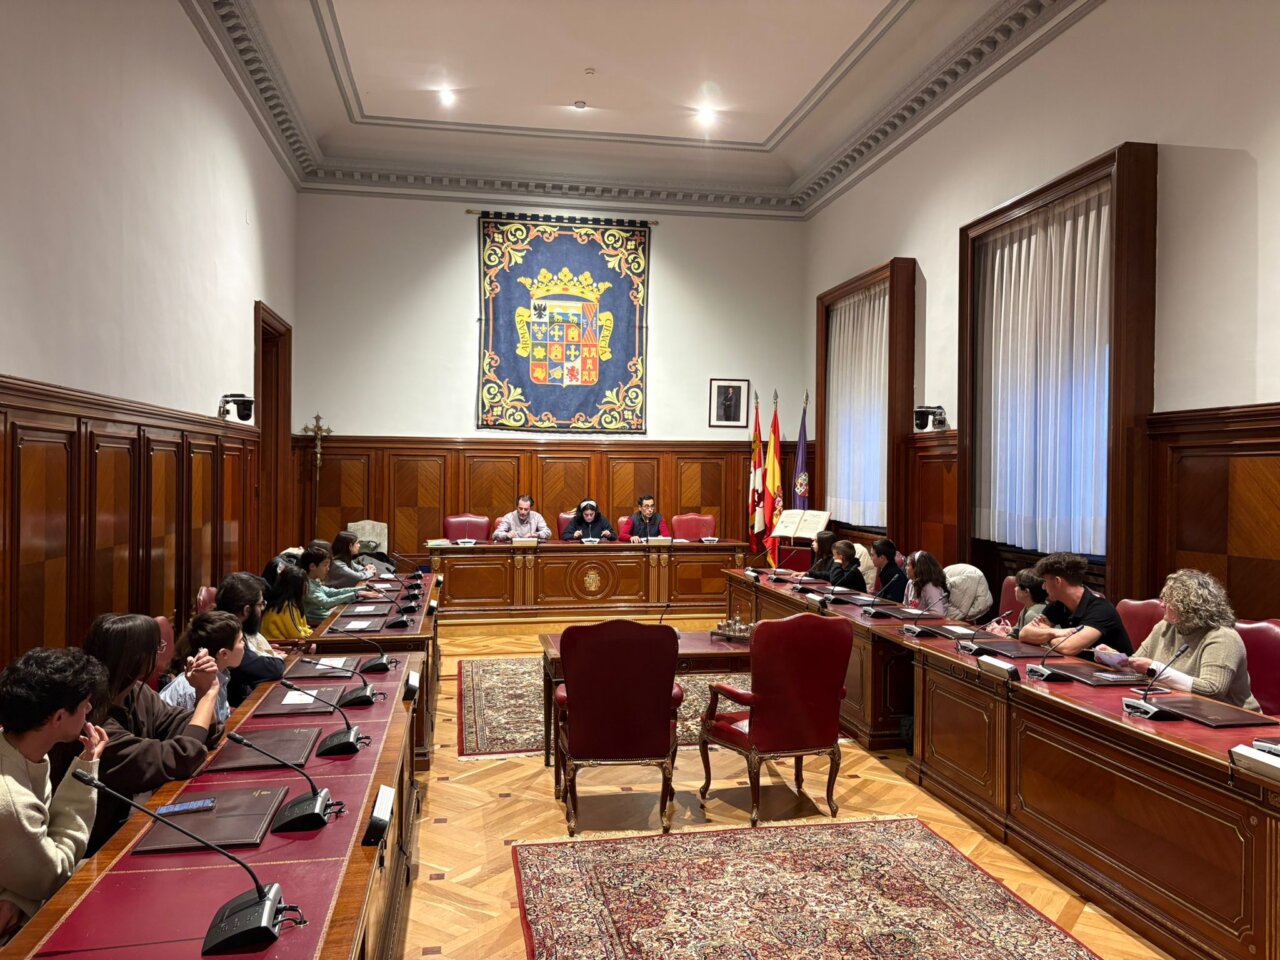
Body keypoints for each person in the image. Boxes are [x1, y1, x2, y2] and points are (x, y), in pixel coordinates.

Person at [80, 613, 223, 854]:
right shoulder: (94, 725)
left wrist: (201, 693)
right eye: (157, 648)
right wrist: (209, 694)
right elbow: (183, 756)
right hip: (97, 850)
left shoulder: (136, 692)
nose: (161, 652)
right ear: (136, 658)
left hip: (133, 829)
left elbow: (199, 730)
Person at [0, 648, 108, 941]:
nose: (88, 711)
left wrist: (17, 899)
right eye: (85, 705)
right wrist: (86, 772)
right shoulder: (10, 800)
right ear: (59, 716)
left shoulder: (17, 748)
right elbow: (53, 876)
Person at [1095, 570, 1259, 710]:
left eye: (1169, 600)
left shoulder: (1222, 637)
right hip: (1180, 708)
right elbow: (1139, 668)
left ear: (1189, 606)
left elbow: (1212, 690)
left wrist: (1155, 669)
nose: (1162, 604)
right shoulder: (1166, 627)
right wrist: (1116, 659)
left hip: (1232, 719)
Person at [1019, 552, 1131, 655]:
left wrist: (1044, 636)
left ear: (1058, 581)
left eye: (1045, 581)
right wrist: (1055, 632)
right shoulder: (1058, 605)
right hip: (1080, 669)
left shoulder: (1101, 609)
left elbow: (1068, 647)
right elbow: (1024, 634)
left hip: (1113, 673)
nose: (1043, 587)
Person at [159, 611, 244, 723]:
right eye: (241, 641)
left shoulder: (221, 674)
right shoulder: (192, 689)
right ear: (224, 654)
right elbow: (196, 734)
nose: (244, 645)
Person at [215, 572, 285, 705]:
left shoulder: (224, 625)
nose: (263, 608)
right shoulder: (225, 635)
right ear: (246, 610)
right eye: (261, 604)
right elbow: (273, 669)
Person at [301, 544, 381, 624]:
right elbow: (326, 603)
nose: (328, 569)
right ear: (312, 566)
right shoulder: (307, 585)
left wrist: (364, 588)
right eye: (325, 565)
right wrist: (357, 594)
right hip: (322, 625)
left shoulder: (312, 581)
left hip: (329, 617)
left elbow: (333, 592)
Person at [260, 563, 315, 643]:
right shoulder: (286, 607)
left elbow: (302, 627)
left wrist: (312, 634)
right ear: (299, 587)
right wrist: (313, 638)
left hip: (287, 643)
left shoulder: (291, 603)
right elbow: (296, 634)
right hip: (282, 646)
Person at [990, 568, 1048, 638]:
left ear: (1026, 592)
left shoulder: (1033, 615)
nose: (1015, 589)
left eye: (1017, 586)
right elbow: (1016, 630)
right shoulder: (1027, 608)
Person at [904, 551, 949, 615]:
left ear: (917, 568)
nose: (905, 568)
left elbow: (938, 613)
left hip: (933, 623)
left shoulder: (930, 587)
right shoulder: (910, 583)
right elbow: (905, 606)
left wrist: (917, 614)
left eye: (908, 565)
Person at [871, 537, 906, 602]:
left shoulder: (892, 575)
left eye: (872, 555)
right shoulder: (888, 570)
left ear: (882, 557)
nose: (871, 558)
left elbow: (891, 601)